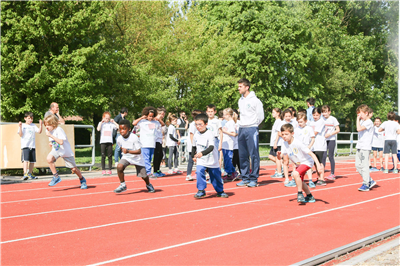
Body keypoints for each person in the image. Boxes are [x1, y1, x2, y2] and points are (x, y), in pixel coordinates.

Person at [278, 123, 322, 203]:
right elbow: (281, 157)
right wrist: (278, 155)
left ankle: (300, 194)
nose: (284, 136)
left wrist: (318, 166)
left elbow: (312, 154)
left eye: (286, 134)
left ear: (292, 134)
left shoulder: (298, 143)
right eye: (283, 134)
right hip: (299, 164)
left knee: (295, 174)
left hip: (307, 162)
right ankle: (310, 196)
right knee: (300, 182)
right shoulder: (284, 143)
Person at [44, 114, 87, 189]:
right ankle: (56, 177)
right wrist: (51, 143)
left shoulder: (59, 130)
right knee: (49, 159)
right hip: (57, 150)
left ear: (53, 124)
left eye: (48, 125)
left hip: (65, 151)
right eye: (45, 125)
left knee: (74, 169)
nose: (46, 127)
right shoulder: (48, 130)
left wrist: (51, 136)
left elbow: (61, 142)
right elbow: (55, 142)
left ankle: (82, 179)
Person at [236, 78, 264, 188]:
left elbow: (260, 116)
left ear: (247, 87)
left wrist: (253, 125)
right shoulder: (240, 100)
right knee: (242, 155)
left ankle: (254, 178)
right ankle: (245, 177)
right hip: (242, 129)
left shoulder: (255, 101)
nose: (238, 88)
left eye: (240, 86)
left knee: (254, 154)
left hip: (251, 128)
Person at [192, 114, 229, 198]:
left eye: (200, 124)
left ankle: (220, 191)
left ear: (206, 124)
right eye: (196, 124)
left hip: (212, 159)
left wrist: (202, 153)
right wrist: (193, 156)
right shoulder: (196, 134)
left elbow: (211, 147)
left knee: (215, 176)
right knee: (199, 171)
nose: (198, 126)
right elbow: (193, 147)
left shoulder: (210, 134)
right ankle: (201, 190)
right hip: (201, 160)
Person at [113, 119, 155, 193]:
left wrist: (128, 151)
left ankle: (148, 184)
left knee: (144, 176)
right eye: (120, 129)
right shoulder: (119, 139)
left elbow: (139, 151)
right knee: (119, 166)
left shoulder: (134, 137)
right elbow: (121, 147)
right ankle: (123, 185)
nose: (121, 131)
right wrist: (126, 152)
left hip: (137, 158)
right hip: (127, 157)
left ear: (129, 129)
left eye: (124, 129)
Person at [132, 107, 160, 179]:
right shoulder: (142, 122)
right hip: (144, 143)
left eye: (152, 116)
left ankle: (144, 172)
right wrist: (141, 117)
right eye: (149, 116)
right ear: (146, 115)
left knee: (149, 159)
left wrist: (158, 119)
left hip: (152, 143)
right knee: (146, 158)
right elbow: (134, 123)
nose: (151, 117)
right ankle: (148, 172)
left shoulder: (155, 122)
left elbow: (162, 125)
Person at [355, 105, 376, 191]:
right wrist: (359, 119)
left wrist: (357, 119)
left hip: (365, 147)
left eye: (361, 114)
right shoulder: (363, 121)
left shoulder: (368, 122)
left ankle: (366, 183)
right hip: (360, 146)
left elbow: (358, 129)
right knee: (357, 166)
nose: (359, 115)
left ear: (366, 113)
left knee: (364, 166)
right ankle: (370, 180)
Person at [18, 112, 43, 180]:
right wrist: (20, 127)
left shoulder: (33, 125)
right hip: (25, 145)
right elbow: (20, 134)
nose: (30, 120)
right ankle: (25, 173)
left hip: (32, 146)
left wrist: (41, 125)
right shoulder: (23, 125)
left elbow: (39, 131)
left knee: (32, 161)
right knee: (25, 160)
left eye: (31, 118)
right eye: (29, 118)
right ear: (25, 118)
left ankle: (30, 173)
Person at [294, 112, 316, 188]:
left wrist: (309, 147)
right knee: (298, 164)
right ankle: (299, 180)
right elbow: (295, 140)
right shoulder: (296, 130)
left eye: (301, 122)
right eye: (298, 122)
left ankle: (310, 180)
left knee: (307, 165)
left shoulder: (309, 129)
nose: (300, 123)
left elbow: (313, 139)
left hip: (307, 149)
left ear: (305, 121)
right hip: (299, 151)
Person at [321, 105, 340, 180]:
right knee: (323, 156)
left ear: (329, 112)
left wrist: (330, 134)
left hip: (331, 139)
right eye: (323, 112)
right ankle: (321, 173)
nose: (324, 114)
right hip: (323, 140)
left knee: (330, 156)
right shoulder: (321, 119)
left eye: (325, 112)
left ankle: (332, 173)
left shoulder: (333, 119)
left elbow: (338, 130)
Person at [309, 107, 327, 186]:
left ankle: (322, 178)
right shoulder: (311, 122)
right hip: (314, 145)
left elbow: (315, 132)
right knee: (315, 163)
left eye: (317, 115)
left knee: (320, 162)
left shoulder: (321, 122)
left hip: (320, 145)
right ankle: (318, 177)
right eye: (314, 115)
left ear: (320, 115)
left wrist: (308, 136)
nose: (315, 116)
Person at [221, 108, 239, 182]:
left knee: (228, 160)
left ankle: (230, 173)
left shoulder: (231, 123)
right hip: (225, 144)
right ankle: (233, 172)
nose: (223, 116)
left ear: (228, 115)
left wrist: (224, 131)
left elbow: (234, 134)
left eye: (224, 114)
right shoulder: (228, 122)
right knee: (226, 160)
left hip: (229, 144)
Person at [186, 109, 203, 181]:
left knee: (200, 159)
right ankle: (188, 174)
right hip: (193, 145)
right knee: (191, 160)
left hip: (198, 144)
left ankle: (199, 173)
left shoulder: (199, 124)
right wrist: (194, 146)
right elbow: (191, 135)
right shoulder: (193, 124)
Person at [153, 107, 167, 178]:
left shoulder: (159, 120)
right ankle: (155, 171)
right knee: (157, 155)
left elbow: (163, 125)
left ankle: (158, 169)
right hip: (155, 140)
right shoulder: (154, 119)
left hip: (159, 139)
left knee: (160, 155)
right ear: (162, 113)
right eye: (163, 114)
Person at [270, 108, 283, 178]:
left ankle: (279, 171)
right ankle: (282, 166)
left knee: (277, 158)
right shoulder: (276, 121)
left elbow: (279, 133)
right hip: (274, 142)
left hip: (277, 143)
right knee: (271, 156)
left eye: (274, 112)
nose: (272, 114)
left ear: (278, 113)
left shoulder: (279, 121)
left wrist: (275, 143)